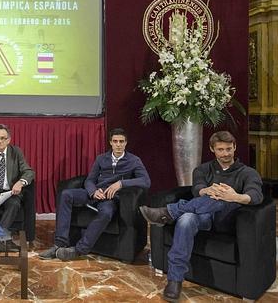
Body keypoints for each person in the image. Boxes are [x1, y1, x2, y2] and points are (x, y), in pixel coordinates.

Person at [139, 131, 263, 302]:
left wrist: (234, 196)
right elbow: (197, 188)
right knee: (186, 219)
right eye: (221, 149)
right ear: (213, 149)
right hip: (203, 215)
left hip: (226, 220)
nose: (226, 153)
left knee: (222, 197)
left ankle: (168, 212)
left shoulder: (247, 172)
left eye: (229, 149)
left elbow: (256, 196)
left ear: (235, 147)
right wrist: (206, 191)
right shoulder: (203, 169)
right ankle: (175, 281)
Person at [39, 128, 150, 261]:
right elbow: (90, 179)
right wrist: (93, 191)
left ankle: (79, 249)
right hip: (95, 193)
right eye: (115, 141)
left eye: (121, 141)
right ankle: (59, 244)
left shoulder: (134, 161)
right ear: (111, 142)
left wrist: (120, 184)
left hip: (111, 198)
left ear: (126, 143)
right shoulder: (101, 159)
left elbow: (145, 181)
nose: (118, 144)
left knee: (107, 213)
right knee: (66, 194)